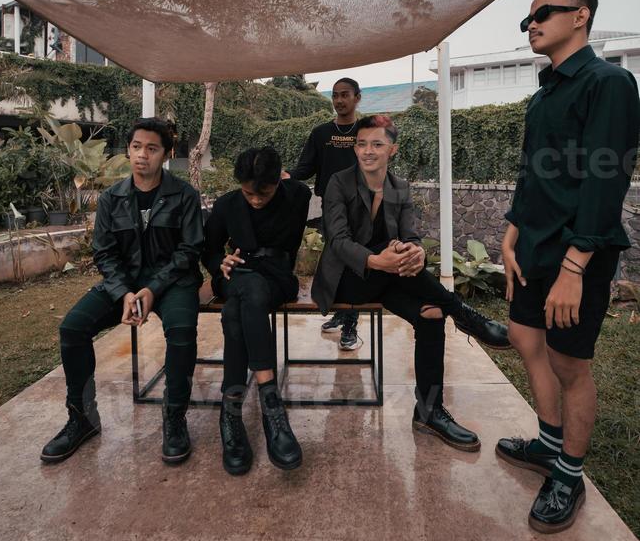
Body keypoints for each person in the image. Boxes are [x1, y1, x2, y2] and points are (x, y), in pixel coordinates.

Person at [497, 0, 640, 533]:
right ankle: (547, 444)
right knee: (524, 338)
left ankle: (568, 475)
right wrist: (511, 228)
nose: (531, 24)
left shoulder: (609, 83)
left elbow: (608, 182)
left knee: (568, 363)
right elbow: (535, 171)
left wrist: (575, 266)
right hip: (533, 242)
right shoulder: (546, 91)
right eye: (528, 19)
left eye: (543, 14)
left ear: (580, 16)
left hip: (577, 250)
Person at [312, 114, 510, 452]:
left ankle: (429, 411)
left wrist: (415, 252)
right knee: (395, 262)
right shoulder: (338, 183)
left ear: (393, 149)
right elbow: (339, 240)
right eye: (361, 144)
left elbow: (411, 235)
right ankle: (466, 315)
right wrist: (378, 260)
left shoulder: (399, 187)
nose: (367, 151)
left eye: (376, 144)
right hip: (348, 279)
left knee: (431, 314)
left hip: (390, 277)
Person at [40, 118, 205, 466]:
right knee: (73, 327)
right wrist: (124, 293)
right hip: (124, 282)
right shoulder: (112, 198)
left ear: (166, 154)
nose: (142, 155)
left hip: (173, 282)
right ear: (128, 150)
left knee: (181, 333)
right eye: (136, 147)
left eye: (151, 148)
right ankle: (81, 418)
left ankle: (174, 418)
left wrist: (152, 288)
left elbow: (189, 251)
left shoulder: (184, 195)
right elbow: (104, 252)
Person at [203, 146, 311, 475]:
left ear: (279, 179)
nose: (255, 199)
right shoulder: (226, 205)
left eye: (263, 192)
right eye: (248, 192)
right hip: (236, 275)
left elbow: (302, 186)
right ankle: (271, 406)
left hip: (277, 278)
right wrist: (219, 261)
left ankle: (231, 413)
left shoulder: (297, 195)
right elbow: (207, 250)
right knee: (246, 293)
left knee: (236, 310)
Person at [284, 77, 363, 350]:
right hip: (331, 207)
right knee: (335, 260)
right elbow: (305, 168)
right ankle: (342, 311)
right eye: (335, 95)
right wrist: (288, 176)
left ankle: (351, 322)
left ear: (357, 98)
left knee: (353, 262)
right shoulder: (320, 134)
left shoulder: (365, 131)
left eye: (345, 95)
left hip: (361, 208)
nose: (339, 100)